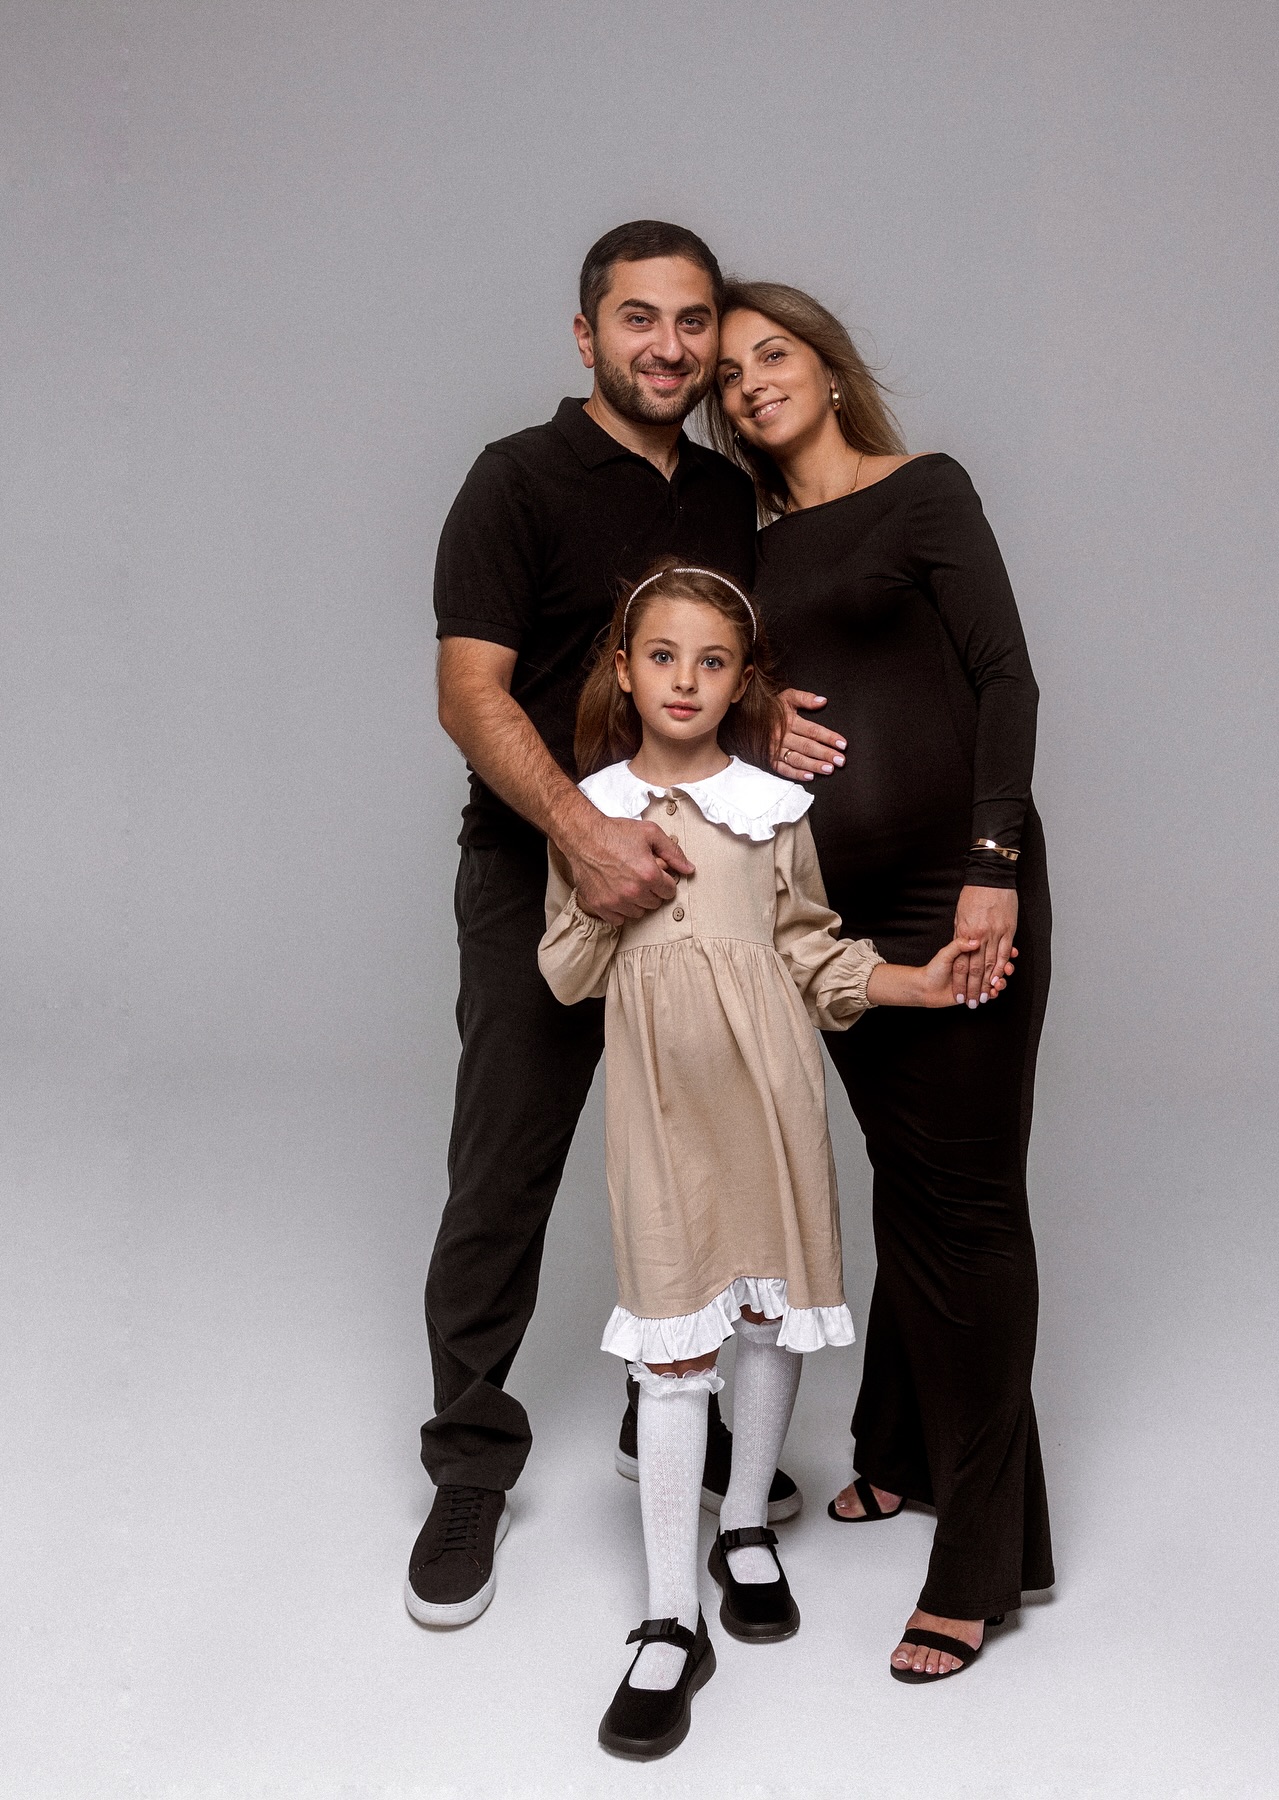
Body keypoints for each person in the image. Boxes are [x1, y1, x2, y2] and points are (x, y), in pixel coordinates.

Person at [407, 221, 806, 1631]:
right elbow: (470, 691)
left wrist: (777, 722)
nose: (670, 347)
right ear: (587, 335)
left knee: (700, 1156)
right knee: (504, 1170)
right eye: (639, 318)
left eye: (693, 321)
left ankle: (667, 1413)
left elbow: (727, 664)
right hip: (542, 874)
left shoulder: (728, 495)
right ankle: (470, 1463)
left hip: (699, 879)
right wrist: (582, 835)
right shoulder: (512, 480)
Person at [538, 559, 985, 1757]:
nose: (685, 680)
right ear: (624, 671)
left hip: (772, 1097)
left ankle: (744, 1525)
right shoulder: (588, 808)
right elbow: (566, 972)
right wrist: (610, 883)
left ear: (744, 682)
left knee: (770, 1316)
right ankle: (668, 1619)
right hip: (660, 1109)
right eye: (662, 656)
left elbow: (812, 955)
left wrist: (912, 982)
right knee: (673, 1344)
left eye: (713, 661)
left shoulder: (773, 808)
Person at [708, 280, 1055, 1682]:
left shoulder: (923, 492)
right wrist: (750, 709)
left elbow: (1007, 681)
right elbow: (692, 691)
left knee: (970, 1206)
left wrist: (993, 863)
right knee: (906, 1184)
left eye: (772, 354)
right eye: (729, 376)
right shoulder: (745, 548)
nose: (750, 383)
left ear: (829, 366)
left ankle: (985, 1557)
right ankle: (902, 1450)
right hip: (832, 914)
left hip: (954, 890)